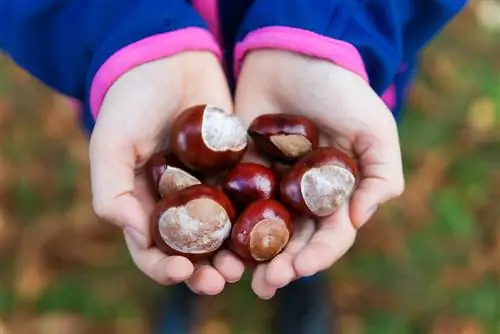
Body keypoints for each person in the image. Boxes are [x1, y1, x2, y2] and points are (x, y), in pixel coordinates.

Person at [0, 1, 468, 333]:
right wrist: (123, 34)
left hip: (337, 57)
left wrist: (335, 28)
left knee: (299, 235)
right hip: (142, 82)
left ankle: (298, 279)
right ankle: (194, 272)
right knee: (184, 238)